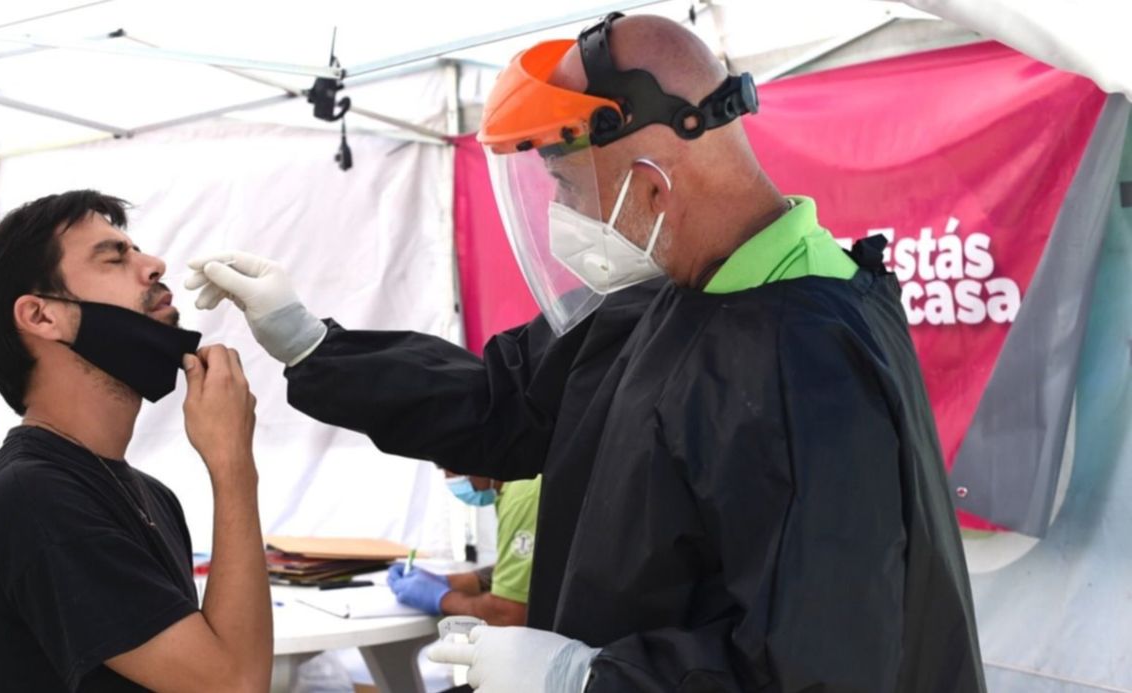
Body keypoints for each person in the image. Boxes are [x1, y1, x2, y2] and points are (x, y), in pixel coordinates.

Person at [185, 13, 984, 693]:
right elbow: (501, 405)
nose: (564, 218)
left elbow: (819, 663)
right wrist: (309, 341)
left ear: (652, 188)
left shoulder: (803, 354)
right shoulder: (668, 297)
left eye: (568, 191)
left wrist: (581, 675)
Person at [0, 190, 271, 692]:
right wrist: (232, 466)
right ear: (41, 316)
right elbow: (233, 686)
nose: (155, 265)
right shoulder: (29, 497)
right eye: (114, 257)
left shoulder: (150, 494)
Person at [387, 473, 541, 627]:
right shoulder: (519, 486)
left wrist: (442, 599)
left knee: (430, 651)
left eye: (447, 465)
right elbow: (533, 568)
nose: (447, 476)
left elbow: (509, 615)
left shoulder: (522, 497)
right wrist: (453, 582)